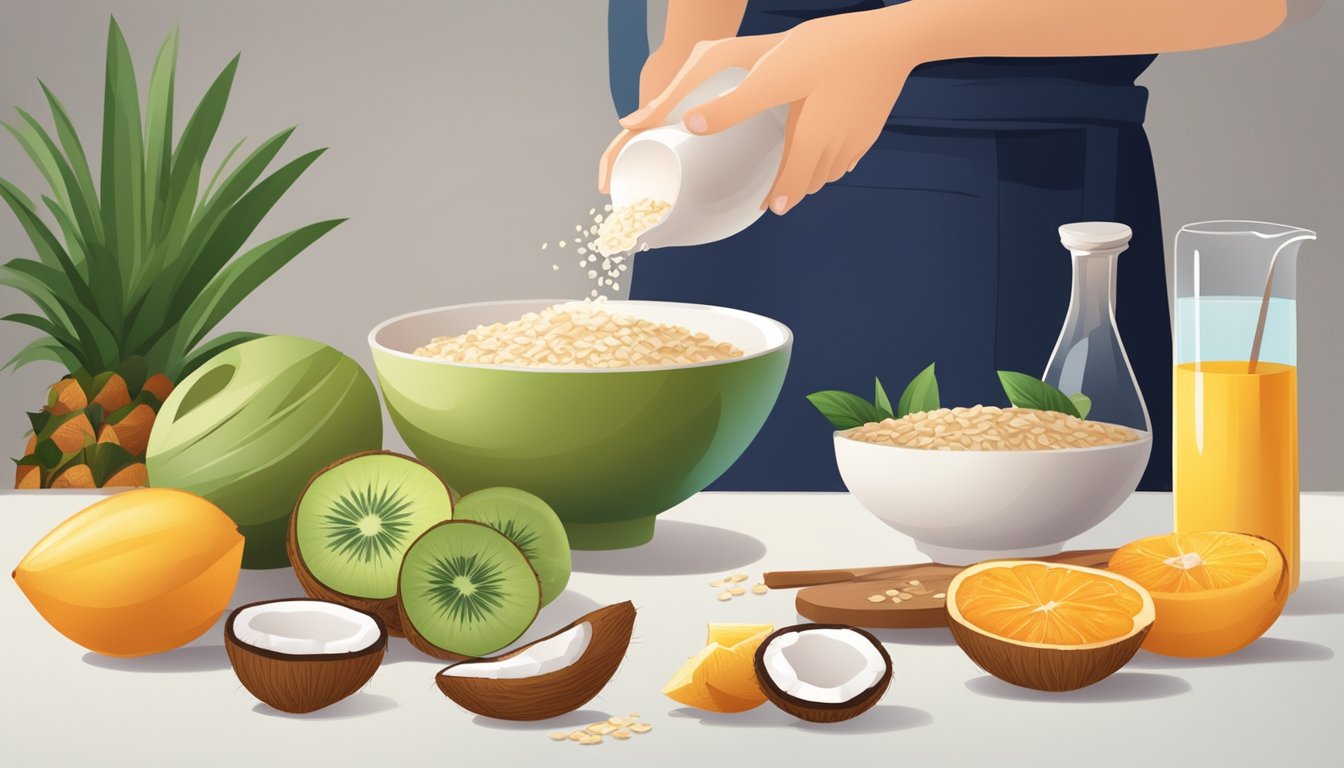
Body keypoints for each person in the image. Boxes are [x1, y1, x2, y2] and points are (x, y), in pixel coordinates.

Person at [602, 0, 1294, 492]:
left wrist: (905, 33)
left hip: (993, 197)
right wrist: (675, 77)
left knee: (1004, 574)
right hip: (740, 159)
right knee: (708, 562)